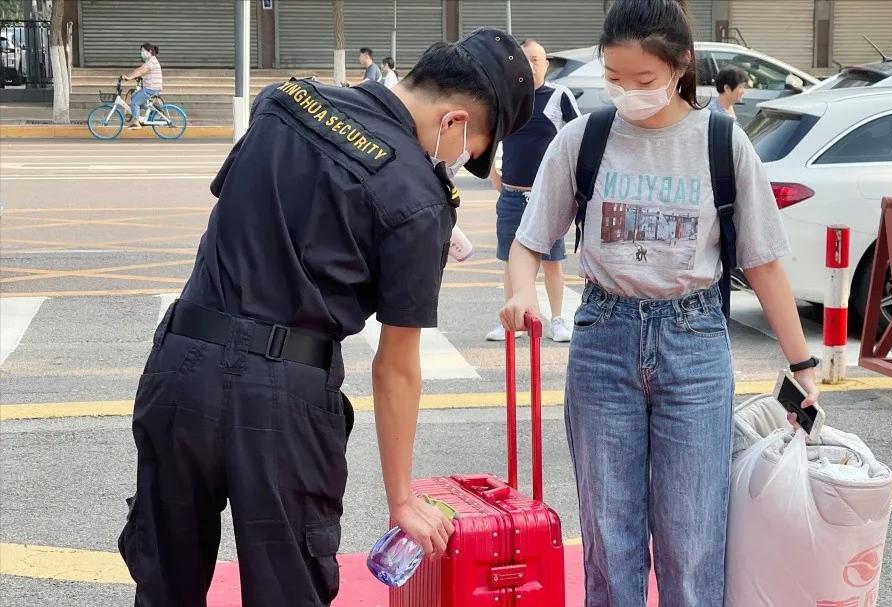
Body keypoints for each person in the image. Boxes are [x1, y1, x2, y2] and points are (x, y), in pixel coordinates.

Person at [118, 28, 534, 607]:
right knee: (287, 590)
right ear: (455, 123)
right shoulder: (418, 200)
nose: (464, 161)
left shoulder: (286, 99)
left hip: (181, 364)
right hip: (282, 404)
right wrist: (402, 502)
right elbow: (396, 366)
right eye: (477, 145)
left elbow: (251, 202)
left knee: (163, 583)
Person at [499, 1, 819, 605]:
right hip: (603, 339)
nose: (628, 93)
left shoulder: (722, 142)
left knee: (693, 538)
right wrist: (521, 290)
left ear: (680, 67)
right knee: (609, 534)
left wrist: (802, 367)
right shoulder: (582, 138)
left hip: (694, 342)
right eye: (614, 79)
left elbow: (765, 264)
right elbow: (529, 242)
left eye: (643, 80)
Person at [486, 38, 581, 343]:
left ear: (546, 64)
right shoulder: (509, 97)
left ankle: (558, 319)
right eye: (525, 59)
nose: (531, 65)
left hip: (546, 197)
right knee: (509, 260)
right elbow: (488, 135)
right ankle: (510, 320)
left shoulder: (559, 96)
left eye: (537, 59)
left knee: (552, 261)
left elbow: (579, 137)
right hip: (512, 195)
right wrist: (493, 175)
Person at [122, 43, 162, 128]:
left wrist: (129, 78)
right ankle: (151, 109)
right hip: (150, 87)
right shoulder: (149, 61)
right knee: (133, 97)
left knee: (135, 102)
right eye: (141, 51)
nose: (142, 53)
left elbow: (141, 72)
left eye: (143, 51)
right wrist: (128, 76)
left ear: (150, 51)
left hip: (151, 88)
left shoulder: (152, 61)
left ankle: (136, 122)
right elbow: (138, 70)